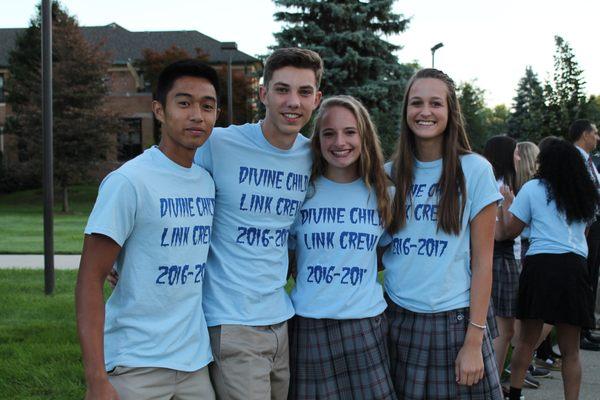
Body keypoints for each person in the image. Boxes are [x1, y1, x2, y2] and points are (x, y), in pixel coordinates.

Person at [75, 60, 220, 400]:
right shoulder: (129, 181)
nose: (197, 115)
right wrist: (96, 380)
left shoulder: (206, 182)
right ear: (159, 109)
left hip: (194, 363)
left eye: (207, 106)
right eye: (183, 103)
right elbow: (89, 280)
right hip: (135, 363)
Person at [193, 48, 323, 400]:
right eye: (282, 90)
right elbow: (163, 179)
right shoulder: (219, 144)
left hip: (281, 317)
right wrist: (123, 249)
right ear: (263, 94)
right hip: (231, 320)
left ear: (317, 99)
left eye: (304, 92)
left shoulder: (314, 156)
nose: (292, 101)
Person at [382, 68, 503, 399]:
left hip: (454, 321)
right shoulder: (387, 175)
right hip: (398, 320)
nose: (425, 111)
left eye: (436, 103)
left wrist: (474, 341)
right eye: (416, 102)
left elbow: (483, 262)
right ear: (406, 110)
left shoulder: (475, 170)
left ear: (451, 112)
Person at [287, 95, 395, 399]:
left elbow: (384, 253)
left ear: (364, 136)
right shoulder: (301, 191)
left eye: (350, 132)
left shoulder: (384, 194)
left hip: (365, 324)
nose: (340, 141)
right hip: (309, 323)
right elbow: (291, 256)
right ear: (317, 140)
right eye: (329, 133)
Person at [499, 139, 598, 400]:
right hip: (575, 267)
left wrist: (508, 204)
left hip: (541, 265)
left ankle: (515, 394)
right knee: (571, 349)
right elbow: (584, 233)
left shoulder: (532, 188)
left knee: (526, 341)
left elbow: (511, 231)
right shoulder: (583, 194)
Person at [483, 136, 534, 388]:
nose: (518, 157)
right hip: (499, 260)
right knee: (502, 330)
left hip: (504, 260)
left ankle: (493, 383)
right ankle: (491, 385)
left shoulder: (502, 184)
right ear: (504, 156)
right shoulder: (497, 186)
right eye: (515, 153)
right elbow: (498, 234)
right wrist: (511, 208)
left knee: (505, 330)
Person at [569, 119, 600, 351]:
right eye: (595, 133)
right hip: (584, 227)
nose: (597, 138)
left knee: (592, 275)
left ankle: (585, 329)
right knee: (586, 275)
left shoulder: (588, 161)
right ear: (584, 134)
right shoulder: (575, 160)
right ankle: (579, 332)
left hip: (592, 225)